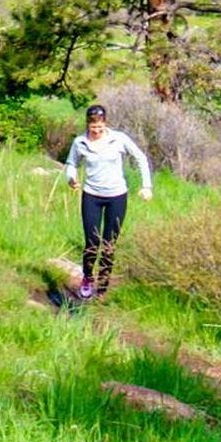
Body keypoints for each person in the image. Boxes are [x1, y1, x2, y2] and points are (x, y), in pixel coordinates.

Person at [64, 102, 151, 300]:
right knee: (92, 241)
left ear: (106, 123)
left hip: (116, 196)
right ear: (88, 125)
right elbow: (71, 164)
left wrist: (146, 186)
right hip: (91, 195)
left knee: (109, 243)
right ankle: (87, 278)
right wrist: (71, 178)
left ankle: (103, 285)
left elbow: (140, 158)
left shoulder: (118, 139)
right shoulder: (80, 142)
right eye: (93, 127)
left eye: (100, 127)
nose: (96, 131)